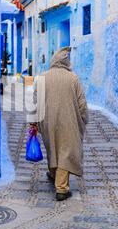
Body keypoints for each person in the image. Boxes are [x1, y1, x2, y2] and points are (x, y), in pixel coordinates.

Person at [28, 47, 88, 201]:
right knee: (65, 150)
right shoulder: (73, 78)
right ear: (66, 62)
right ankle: (61, 188)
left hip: (47, 120)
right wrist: (83, 120)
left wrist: (33, 123)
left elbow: (35, 102)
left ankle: (54, 173)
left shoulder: (42, 77)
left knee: (53, 146)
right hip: (68, 120)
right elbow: (82, 104)